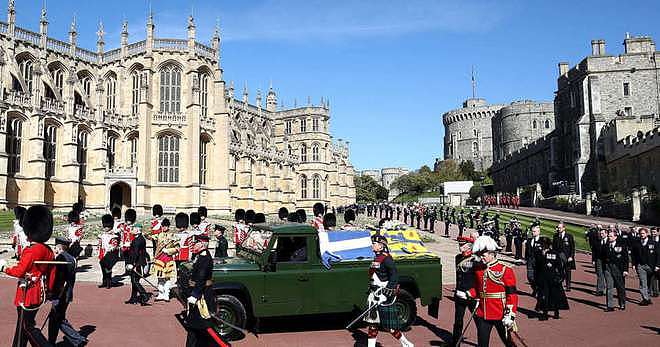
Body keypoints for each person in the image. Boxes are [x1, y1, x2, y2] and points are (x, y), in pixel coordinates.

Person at [0, 205, 56, 347]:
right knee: (23, 325)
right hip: (40, 292)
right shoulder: (48, 250)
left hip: (28, 293)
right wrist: (50, 291)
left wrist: (3, 267)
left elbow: (19, 271)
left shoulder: (31, 251)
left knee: (27, 326)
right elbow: (52, 272)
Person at [464, 236, 517, 347]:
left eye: (483, 255)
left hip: (500, 313)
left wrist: (510, 314)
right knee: (482, 343)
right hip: (483, 313)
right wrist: (469, 293)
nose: (481, 258)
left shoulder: (505, 270)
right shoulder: (479, 269)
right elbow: (479, 289)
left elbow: (511, 294)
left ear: (492, 254)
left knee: (508, 342)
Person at [364, 234, 414, 347]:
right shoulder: (376, 258)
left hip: (384, 296)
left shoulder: (386, 259)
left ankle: (406, 344)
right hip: (374, 294)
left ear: (381, 246)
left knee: (390, 327)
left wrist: (386, 294)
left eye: (374, 243)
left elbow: (394, 277)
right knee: (373, 324)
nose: (372, 245)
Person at [184, 234, 223, 347]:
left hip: (202, 297)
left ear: (202, 244)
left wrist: (195, 295)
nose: (193, 245)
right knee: (194, 326)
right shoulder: (199, 256)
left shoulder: (205, 258)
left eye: (195, 243)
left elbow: (201, 278)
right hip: (198, 294)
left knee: (204, 326)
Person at [48, 237, 78, 344]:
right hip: (67, 292)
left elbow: (59, 278)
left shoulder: (61, 258)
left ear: (59, 246)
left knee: (56, 319)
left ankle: (77, 339)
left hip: (61, 293)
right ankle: (51, 341)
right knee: (57, 318)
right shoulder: (72, 258)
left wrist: (52, 293)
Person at [535, 237, 569, 320]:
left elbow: (559, 266)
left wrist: (561, 276)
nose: (541, 246)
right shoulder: (538, 253)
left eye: (543, 244)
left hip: (553, 278)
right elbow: (537, 266)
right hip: (543, 278)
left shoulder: (554, 253)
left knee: (555, 296)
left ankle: (556, 312)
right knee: (544, 295)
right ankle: (545, 313)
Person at [451, 237, 476, 345]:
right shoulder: (458, 257)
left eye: (462, 245)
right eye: (459, 245)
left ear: (469, 246)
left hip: (472, 295)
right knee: (458, 321)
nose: (460, 246)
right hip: (460, 294)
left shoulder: (475, 259)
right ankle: (456, 343)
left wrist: (472, 292)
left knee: (479, 321)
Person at [124, 209, 150, 306]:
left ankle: (144, 295)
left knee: (135, 281)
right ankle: (133, 298)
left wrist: (131, 264)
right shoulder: (140, 239)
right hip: (139, 262)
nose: (132, 230)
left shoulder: (137, 241)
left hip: (137, 263)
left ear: (138, 230)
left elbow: (134, 253)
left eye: (134, 229)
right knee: (134, 280)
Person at [149, 218, 179, 302]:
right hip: (159, 258)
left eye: (165, 226)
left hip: (168, 259)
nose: (164, 227)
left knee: (167, 277)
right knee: (159, 277)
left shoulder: (173, 236)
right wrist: (153, 225)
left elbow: (177, 248)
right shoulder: (158, 235)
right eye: (163, 226)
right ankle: (161, 293)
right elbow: (148, 236)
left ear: (168, 226)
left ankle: (167, 294)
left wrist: (168, 251)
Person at [601, 230, 629, 311]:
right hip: (608, 268)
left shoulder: (621, 246)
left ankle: (622, 303)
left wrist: (625, 270)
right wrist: (604, 268)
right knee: (609, 287)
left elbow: (625, 259)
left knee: (620, 287)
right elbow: (602, 257)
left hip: (618, 268)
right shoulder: (605, 246)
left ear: (615, 237)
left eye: (611, 236)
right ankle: (610, 306)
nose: (609, 237)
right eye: (609, 236)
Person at [631, 227, 658, 306]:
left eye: (643, 233)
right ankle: (645, 298)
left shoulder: (654, 243)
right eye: (640, 234)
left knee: (649, 283)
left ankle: (648, 297)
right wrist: (633, 264)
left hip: (651, 266)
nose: (641, 235)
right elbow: (633, 254)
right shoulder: (636, 243)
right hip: (640, 266)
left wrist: (657, 265)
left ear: (647, 234)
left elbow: (658, 255)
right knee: (643, 283)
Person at [98, 214, 120, 289]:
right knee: (103, 268)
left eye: (107, 227)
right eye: (104, 227)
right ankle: (104, 281)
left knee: (108, 268)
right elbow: (100, 244)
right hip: (103, 253)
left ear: (110, 227)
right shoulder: (102, 235)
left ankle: (108, 282)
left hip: (110, 254)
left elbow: (114, 245)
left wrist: (111, 248)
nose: (105, 228)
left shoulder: (114, 236)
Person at [552, 222, 576, 291]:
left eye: (560, 228)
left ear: (564, 228)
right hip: (558, 257)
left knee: (568, 271)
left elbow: (572, 247)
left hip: (567, 257)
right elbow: (554, 247)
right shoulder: (555, 236)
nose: (558, 229)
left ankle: (568, 286)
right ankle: (560, 284)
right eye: (558, 228)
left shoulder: (569, 236)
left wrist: (571, 256)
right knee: (559, 271)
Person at [525, 225, 542, 296]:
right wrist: (526, 259)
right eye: (532, 231)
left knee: (538, 277)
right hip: (530, 261)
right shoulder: (529, 240)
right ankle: (535, 288)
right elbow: (527, 251)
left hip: (539, 262)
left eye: (534, 231)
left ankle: (538, 290)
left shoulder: (542, 241)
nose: (533, 233)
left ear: (538, 232)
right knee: (530, 276)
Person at [592, 229, 608, 296]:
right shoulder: (597, 242)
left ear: (606, 233)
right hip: (599, 260)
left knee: (607, 275)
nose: (601, 235)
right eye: (600, 234)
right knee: (599, 274)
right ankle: (599, 290)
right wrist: (593, 260)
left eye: (603, 233)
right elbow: (594, 252)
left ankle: (607, 289)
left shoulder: (609, 241)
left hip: (607, 261)